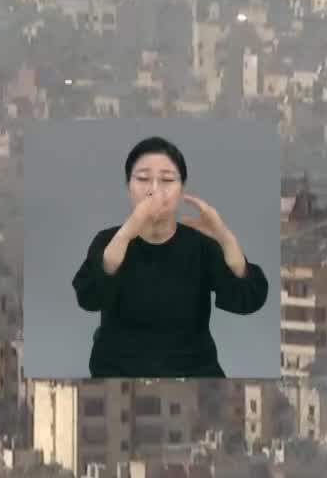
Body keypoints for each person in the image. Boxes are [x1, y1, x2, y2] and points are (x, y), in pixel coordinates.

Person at [71, 136, 270, 377]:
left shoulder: (202, 246)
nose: (154, 189)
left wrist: (226, 238)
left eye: (167, 180)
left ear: (182, 189)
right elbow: (88, 298)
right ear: (128, 187)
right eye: (143, 179)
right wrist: (127, 233)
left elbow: (248, 300)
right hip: (118, 374)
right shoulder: (108, 241)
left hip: (195, 375)